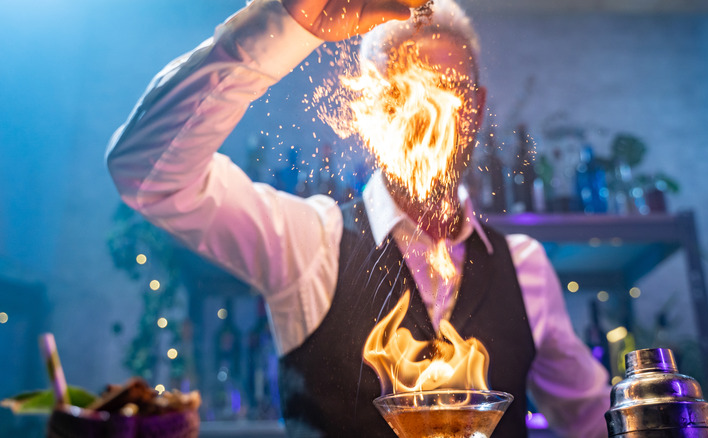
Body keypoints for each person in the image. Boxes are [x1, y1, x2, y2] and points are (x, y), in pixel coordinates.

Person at [106, 0, 611, 436]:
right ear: (369, 108)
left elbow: (595, 421)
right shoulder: (309, 242)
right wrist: (281, 25)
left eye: (447, 92)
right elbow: (148, 173)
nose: (424, 117)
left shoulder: (524, 266)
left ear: (476, 111)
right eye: (401, 93)